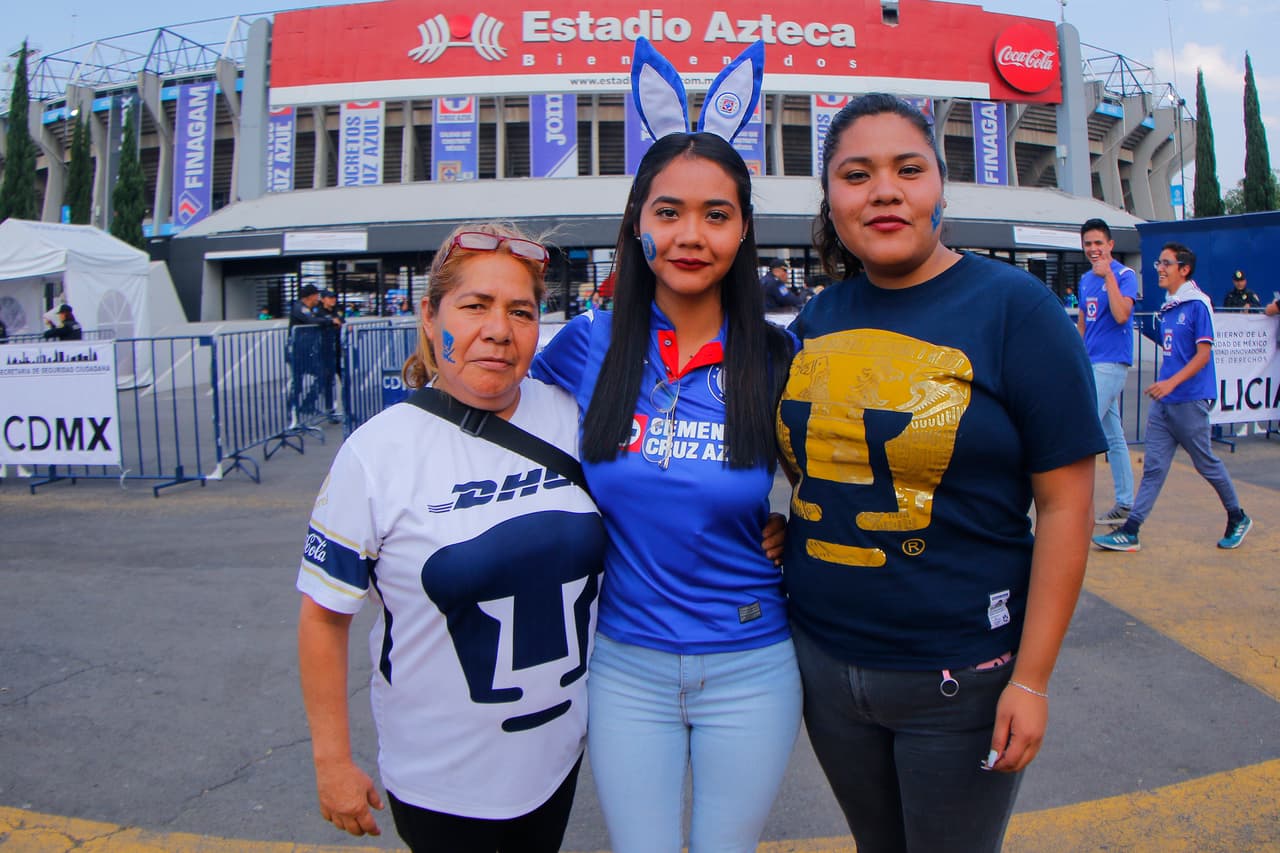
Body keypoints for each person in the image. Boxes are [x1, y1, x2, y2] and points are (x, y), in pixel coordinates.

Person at [778, 93, 1105, 853]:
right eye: (856, 174)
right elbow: (808, 469)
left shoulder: (1016, 311)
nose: (884, 190)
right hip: (823, 668)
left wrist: (1031, 678)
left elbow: (1065, 508)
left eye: (907, 169)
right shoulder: (816, 319)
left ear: (940, 185)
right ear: (831, 196)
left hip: (963, 679)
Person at [530, 39, 801, 853]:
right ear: (638, 224)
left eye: (716, 215)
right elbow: (502, 441)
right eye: (668, 212)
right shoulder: (587, 345)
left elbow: (842, 485)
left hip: (753, 662)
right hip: (624, 664)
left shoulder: (780, 357)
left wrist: (804, 537)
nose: (692, 235)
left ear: (743, 229)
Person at [297, 222, 605, 853]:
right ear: (430, 316)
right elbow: (324, 617)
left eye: (520, 311)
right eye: (474, 306)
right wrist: (332, 762)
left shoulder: (572, 417)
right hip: (441, 781)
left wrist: (756, 534)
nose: (498, 329)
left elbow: (654, 513)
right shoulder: (377, 454)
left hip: (556, 760)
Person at [1093, 243, 1252, 553]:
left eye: (1166, 263)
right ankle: (1132, 529)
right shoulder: (1169, 307)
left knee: (1205, 462)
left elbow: (1203, 355)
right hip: (1165, 404)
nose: (1160, 269)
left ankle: (1238, 516)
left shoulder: (1197, 305)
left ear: (1184, 269)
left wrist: (1171, 384)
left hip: (1190, 400)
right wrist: (1164, 387)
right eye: (1158, 263)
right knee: (1153, 467)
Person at [1077, 218, 1139, 527]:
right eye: (1088, 244)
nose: (1093, 249)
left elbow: (1121, 314)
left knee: (1082, 429)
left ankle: (1074, 505)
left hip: (1112, 362)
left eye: (1098, 243)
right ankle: (1126, 502)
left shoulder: (1125, 276)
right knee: (1114, 436)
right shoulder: (1086, 280)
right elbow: (1083, 325)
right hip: (1090, 362)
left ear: (1110, 245)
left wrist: (1109, 278)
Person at [316, 289, 345, 421]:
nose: (332, 300)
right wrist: (331, 322)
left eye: (333, 297)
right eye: (329, 297)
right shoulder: (319, 312)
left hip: (337, 350)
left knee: (344, 379)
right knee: (328, 382)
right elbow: (319, 322)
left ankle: (346, 409)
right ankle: (329, 411)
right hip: (325, 351)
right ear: (323, 299)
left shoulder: (336, 310)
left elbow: (341, 320)